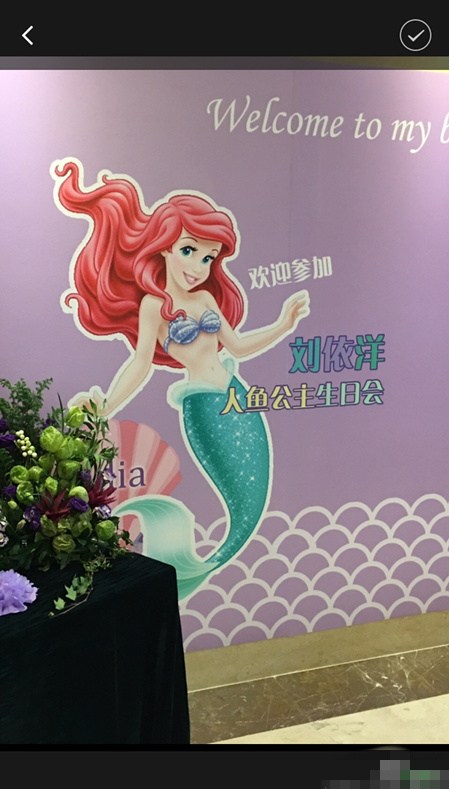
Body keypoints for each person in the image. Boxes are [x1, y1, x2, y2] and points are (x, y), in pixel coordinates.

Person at [51, 158, 311, 598]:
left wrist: (284, 324)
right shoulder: (153, 306)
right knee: (241, 496)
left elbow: (238, 346)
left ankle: (191, 570)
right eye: (189, 250)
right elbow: (140, 364)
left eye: (208, 257)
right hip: (204, 407)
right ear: (165, 247)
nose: (198, 266)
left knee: (252, 497)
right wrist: (104, 408)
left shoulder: (207, 297)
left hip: (236, 396)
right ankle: (177, 573)